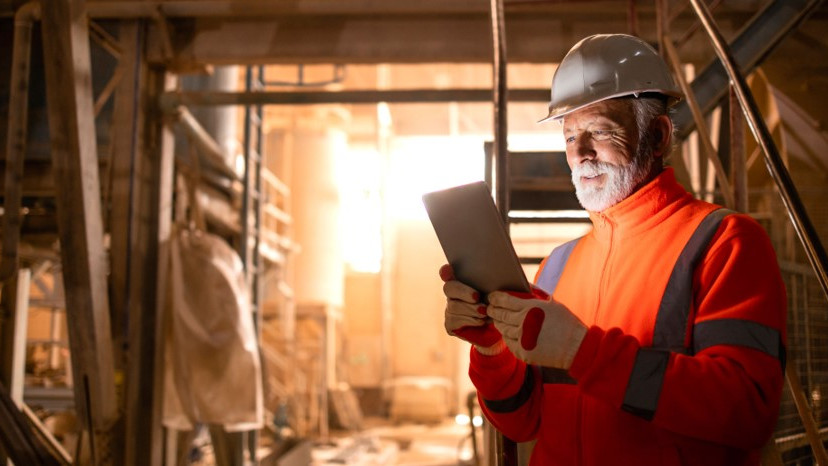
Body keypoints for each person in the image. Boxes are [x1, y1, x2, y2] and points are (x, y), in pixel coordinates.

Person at [440, 33, 787, 465]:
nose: (581, 154)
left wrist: (583, 352)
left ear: (657, 136)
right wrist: (491, 346)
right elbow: (521, 422)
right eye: (569, 137)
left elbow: (747, 412)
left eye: (600, 131)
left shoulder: (724, 243)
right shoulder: (557, 267)